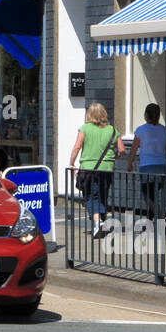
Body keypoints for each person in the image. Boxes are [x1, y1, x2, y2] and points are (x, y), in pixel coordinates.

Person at [70, 101, 124, 238]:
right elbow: (122, 149)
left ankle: (97, 221)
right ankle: (101, 222)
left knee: (90, 196)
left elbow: (77, 147)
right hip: (107, 169)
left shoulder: (85, 129)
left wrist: (71, 163)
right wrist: (113, 158)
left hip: (88, 169)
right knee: (102, 195)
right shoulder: (112, 130)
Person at [128, 102, 166, 216]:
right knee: (156, 193)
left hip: (147, 166)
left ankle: (159, 215)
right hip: (162, 165)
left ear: (146, 115)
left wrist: (129, 163)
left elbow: (133, 149)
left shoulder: (140, 130)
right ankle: (154, 217)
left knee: (146, 194)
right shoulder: (165, 130)